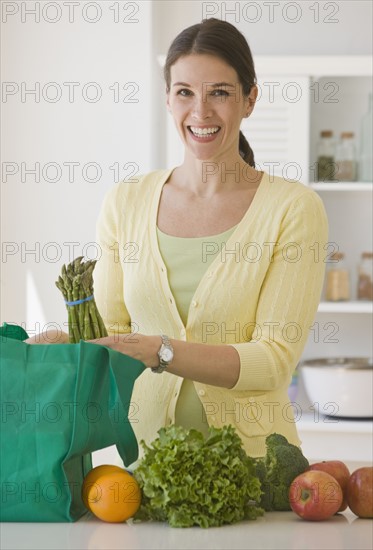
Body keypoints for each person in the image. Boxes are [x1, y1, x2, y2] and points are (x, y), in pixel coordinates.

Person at [31, 18, 329, 460]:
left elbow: (272, 361)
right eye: (185, 92)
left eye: (220, 93)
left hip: (257, 470)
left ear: (250, 99)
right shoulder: (125, 202)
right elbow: (115, 335)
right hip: (147, 470)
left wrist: (161, 351)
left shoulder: (292, 209)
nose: (201, 112)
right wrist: (55, 348)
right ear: (168, 99)